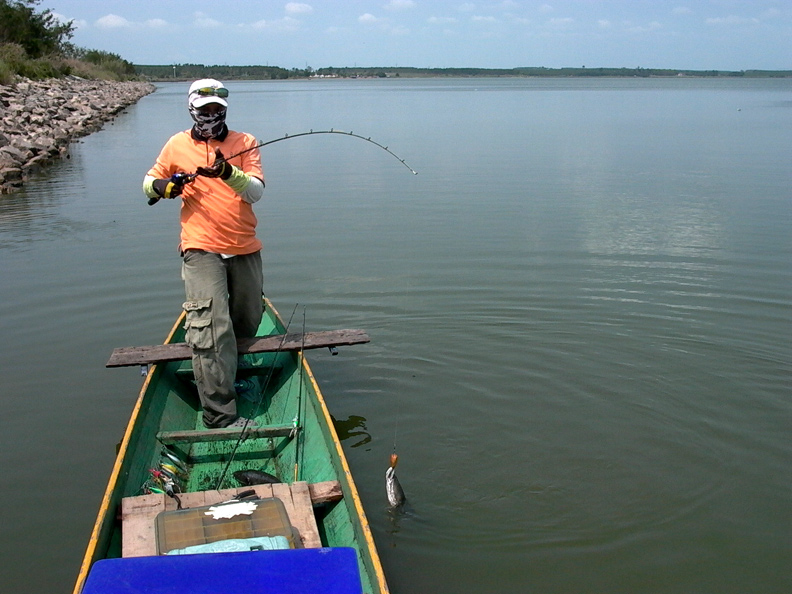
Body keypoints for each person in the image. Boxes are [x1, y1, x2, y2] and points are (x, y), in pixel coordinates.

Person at [143, 79, 265, 429]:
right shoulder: (176, 144)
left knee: (247, 320)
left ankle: (234, 374)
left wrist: (228, 172)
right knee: (211, 329)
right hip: (200, 247)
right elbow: (148, 183)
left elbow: (255, 192)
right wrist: (165, 187)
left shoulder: (246, 142)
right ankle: (221, 415)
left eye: (218, 110)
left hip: (244, 246)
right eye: (205, 110)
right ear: (192, 109)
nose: (211, 115)